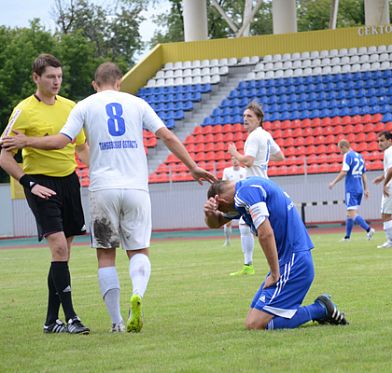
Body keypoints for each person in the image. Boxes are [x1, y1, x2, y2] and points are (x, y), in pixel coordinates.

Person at [2, 62, 217, 333]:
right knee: (138, 250)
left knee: (106, 256)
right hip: (136, 187)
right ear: (119, 83)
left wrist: (26, 142)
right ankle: (136, 293)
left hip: (103, 188)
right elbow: (167, 136)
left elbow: (61, 141)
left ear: (95, 84)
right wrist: (193, 166)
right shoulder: (136, 103)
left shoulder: (82, 105)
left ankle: (116, 322)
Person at [0, 54, 90, 334]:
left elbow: (82, 147)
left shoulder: (71, 107)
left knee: (63, 255)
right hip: (40, 183)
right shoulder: (24, 110)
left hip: (69, 182)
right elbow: (5, 156)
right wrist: (29, 183)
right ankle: (72, 318)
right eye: (51, 77)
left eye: (59, 76)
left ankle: (51, 321)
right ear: (36, 78)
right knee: (59, 248)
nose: (57, 81)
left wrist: (97, 171)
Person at [204, 177, 348, 330]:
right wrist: (209, 214)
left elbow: (266, 233)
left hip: (293, 261)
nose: (226, 213)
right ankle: (318, 308)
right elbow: (216, 222)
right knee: (253, 318)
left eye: (223, 209)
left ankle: (321, 309)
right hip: (291, 259)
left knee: (255, 324)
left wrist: (274, 274)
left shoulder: (245, 193)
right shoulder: (247, 189)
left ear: (221, 200)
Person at [227, 102, 284, 276]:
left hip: (255, 185)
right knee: (248, 225)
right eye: (244, 116)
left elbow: (249, 161)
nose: (245, 119)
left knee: (258, 227)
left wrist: (234, 153)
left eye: (249, 116)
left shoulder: (253, 137)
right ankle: (251, 265)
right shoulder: (265, 135)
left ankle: (252, 265)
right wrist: (263, 161)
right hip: (264, 183)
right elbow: (280, 156)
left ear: (259, 119)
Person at [328, 139, 374, 241]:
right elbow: (364, 174)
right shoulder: (359, 156)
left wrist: (333, 182)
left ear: (344, 147)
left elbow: (344, 172)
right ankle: (347, 237)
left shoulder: (347, 156)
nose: (340, 152)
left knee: (352, 213)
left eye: (340, 149)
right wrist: (366, 189)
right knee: (349, 213)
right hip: (359, 188)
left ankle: (369, 229)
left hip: (351, 188)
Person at [221, 156, 247, 246]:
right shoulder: (227, 171)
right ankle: (227, 240)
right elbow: (224, 185)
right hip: (231, 199)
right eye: (233, 159)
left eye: (236, 159)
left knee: (246, 220)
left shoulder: (244, 171)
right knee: (228, 221)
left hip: (242, 198)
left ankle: (246, 239)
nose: (235, 161)